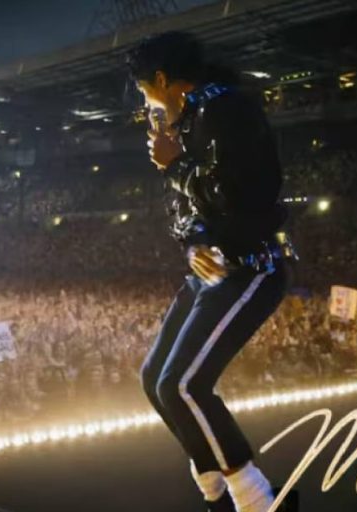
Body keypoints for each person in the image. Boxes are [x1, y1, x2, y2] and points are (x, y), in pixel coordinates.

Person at [127, 32, 296, 512]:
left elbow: (239, 195)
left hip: (252, 267)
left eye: (143, 90)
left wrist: (174, 165)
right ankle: (213, 490)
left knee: (183, 385)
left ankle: (257, 500)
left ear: (162, 79)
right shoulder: (187, 120)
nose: (145, 102)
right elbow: (187, 210)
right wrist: (194, 244)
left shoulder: (227, 111)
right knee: (155, 379)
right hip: (213, 271)